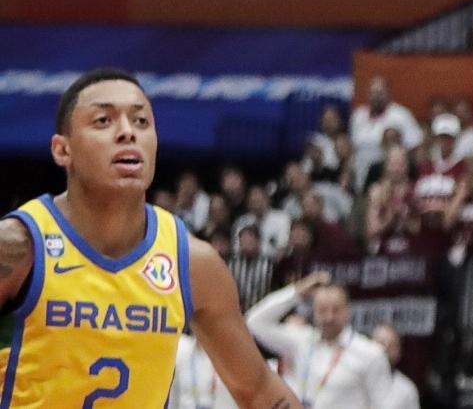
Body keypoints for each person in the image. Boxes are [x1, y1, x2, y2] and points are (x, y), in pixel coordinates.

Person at [0, 70, 308, 409]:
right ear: (62, 150)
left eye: (141, 121)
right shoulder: (19, 246)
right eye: (103, 120)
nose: (127, 132)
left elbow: (259, 389)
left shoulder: (192, 262)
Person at [244, 271, 395, 409]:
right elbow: (254, 322)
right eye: (322, 310)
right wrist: (298, 291)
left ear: (348, 310)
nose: (329, 317)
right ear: (313, 311)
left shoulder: (370, 353)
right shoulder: (300, 341)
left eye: (336, 309)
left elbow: (382, 405)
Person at [370, 328, 421, 409]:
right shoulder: (351, 379)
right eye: (380, 343)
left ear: (399, 352)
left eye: (391, 345)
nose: (385, 349)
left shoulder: (406, 390)